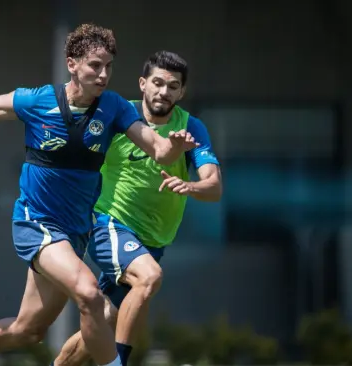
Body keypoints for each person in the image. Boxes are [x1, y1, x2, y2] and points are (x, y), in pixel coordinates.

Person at [0, 26, 197, 366]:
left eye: (109, 66)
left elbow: (158, 150)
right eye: (95, 65)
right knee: (89, 294)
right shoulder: (38, 100)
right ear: (72, 64)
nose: (103, 75)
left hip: (73, 235)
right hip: (36, 223)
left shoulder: (112, 108)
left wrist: (173, 145)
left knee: (28, 330)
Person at [52, 51, 222, 366]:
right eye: (157, 83)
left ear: (181, 92)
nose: (163, 92)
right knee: (149, 277)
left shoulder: (192, 128)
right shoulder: (117, 116)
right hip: (110, 225)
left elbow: (214, 186)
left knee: (102, 322)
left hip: (152, 242)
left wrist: (191, 187)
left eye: (173, 86)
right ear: (143, 84)